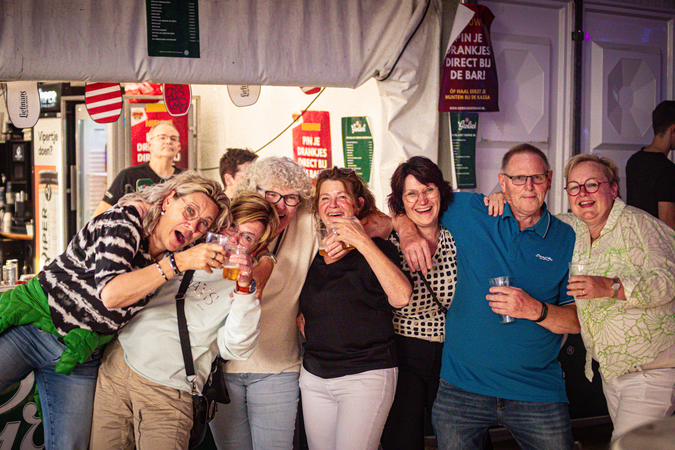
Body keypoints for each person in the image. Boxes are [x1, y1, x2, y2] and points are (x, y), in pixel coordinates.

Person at [0, 170, 229, 450]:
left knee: (70, 445)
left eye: (203, 223)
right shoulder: (127, 219)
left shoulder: (179, 250)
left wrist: (264, 259)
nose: (192, 225)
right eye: (189, 211)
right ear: (169, 199)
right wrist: (177, 263)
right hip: (34, 328)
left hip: (82, 353)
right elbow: (111, 294)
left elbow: (243, 234)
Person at [395, 144, 580, 450]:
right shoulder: (471, 210)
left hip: (536, 390)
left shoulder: (567, 237)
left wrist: (535, 309)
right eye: (519, 179)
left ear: (548, 180)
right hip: (461, 389)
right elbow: (412, 202)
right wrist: (406, 231)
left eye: (536, 177)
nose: (529, 186)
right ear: (503, 182)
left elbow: (575, 322)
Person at [209, 157, 392, 450]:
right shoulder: (229, 222)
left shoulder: (307, 221)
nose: (279, 206)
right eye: (270, 195)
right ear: (251, 191)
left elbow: (376, 219)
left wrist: (404, 226)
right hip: (221, 366)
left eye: (291, 198)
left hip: (278, 368)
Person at [89, 191, 279, 450]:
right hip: (117, 368)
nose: (233, 239)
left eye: (246, 237)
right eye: (232, 226)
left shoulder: (241, 286)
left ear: (254, 248)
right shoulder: (184, 242)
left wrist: (245, 288)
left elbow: (235, 348)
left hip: (169, 389)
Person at [559, 153, 675, 443]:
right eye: (574, 186)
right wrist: (501, 197)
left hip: (650, 370)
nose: (582, 193)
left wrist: (611, 286)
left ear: (613, 189)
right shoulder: (570, 228)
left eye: (592, 184)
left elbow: (669, 280)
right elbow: (531, 217)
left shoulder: (640, 225)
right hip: (611, 370)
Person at [298, 167, 411, 450]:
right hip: (314, 375)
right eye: (325, 198)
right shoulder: (312, 248)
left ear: (358, 204)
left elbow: (401, 297)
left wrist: (361, 240)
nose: (332, 205)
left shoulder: (380, 248)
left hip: (366, 374)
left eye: (341, 197)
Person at [380, 156, 457, 450]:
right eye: (411, 193)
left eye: (429, 190)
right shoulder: (391, 246)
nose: (422, 200)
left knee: (461, 436)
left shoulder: (456, 237)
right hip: (405, 352)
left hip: (453, 354)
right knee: (403, 438)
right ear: (400, 201)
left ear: (441, 192)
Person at [93, 121, 183, 217]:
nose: (168, 141)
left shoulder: (185, 180)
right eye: (162, 137)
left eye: (173, 139)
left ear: (178, 147)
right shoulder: (128, 176)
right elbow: (99, 216)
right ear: (149, 145)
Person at [625, 100, 675, 230]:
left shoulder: (634, 160)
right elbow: (668, 227)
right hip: (657, 245)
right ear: (673, 129)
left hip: (635, 239)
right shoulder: (668, 170)